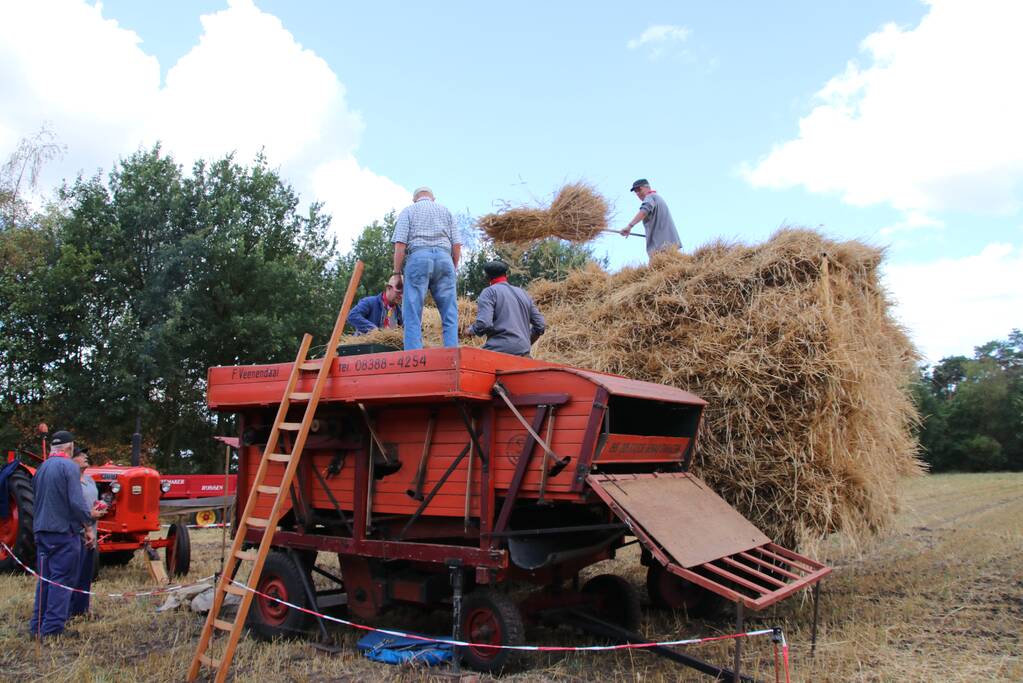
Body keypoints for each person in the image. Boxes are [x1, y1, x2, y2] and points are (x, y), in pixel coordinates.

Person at [29, 430, 105, 640]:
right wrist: (89, 522)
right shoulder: (69, 467)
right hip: (63, 533)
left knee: (45, 580)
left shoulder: (41, 468)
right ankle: (52, 629)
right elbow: (76, 502)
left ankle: (36, 625)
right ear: (70, 448)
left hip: (42, 532)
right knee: (61, 581)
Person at [392, 187, 461, 350]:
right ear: (433, 198)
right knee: (450, 312)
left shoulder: (408, 211)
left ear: (414, 199)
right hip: (445, 258)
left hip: (418, 257)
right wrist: (453, 268)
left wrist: (396, 273)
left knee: (412, 311)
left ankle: (414, 354)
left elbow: (400, 244)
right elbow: (457, 245)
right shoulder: (446, 211)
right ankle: (452, 354)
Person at [465, 261, 545, 357]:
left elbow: (484, 324)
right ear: (506, 275)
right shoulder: (524, 294)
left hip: (499, 351)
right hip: (523, 353)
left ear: (487, 277)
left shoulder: (489, 292)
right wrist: (525, 341)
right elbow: (541, 325)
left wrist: (471, 330)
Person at [69, 447, 99, 619]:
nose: (85, 457)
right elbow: (74, 508)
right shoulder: (71, 482)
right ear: (72, 460)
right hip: (77, 533)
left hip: (91, 532)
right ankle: (70, 610)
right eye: (80, 455)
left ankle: (82, 608)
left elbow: (92, 503)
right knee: (74, 574)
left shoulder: (90, 481)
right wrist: (89, 516)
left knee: (86, 575)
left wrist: (98, 508)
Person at [620, 178, 681, 257]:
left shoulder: (650, 197)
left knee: (658, 267)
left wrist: (629, 226)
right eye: (636, 191)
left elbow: (644, 211)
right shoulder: (657, 198)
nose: (638, 193)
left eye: (639, 189)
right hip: (670, 245)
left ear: (647, 187)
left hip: (661, 247)